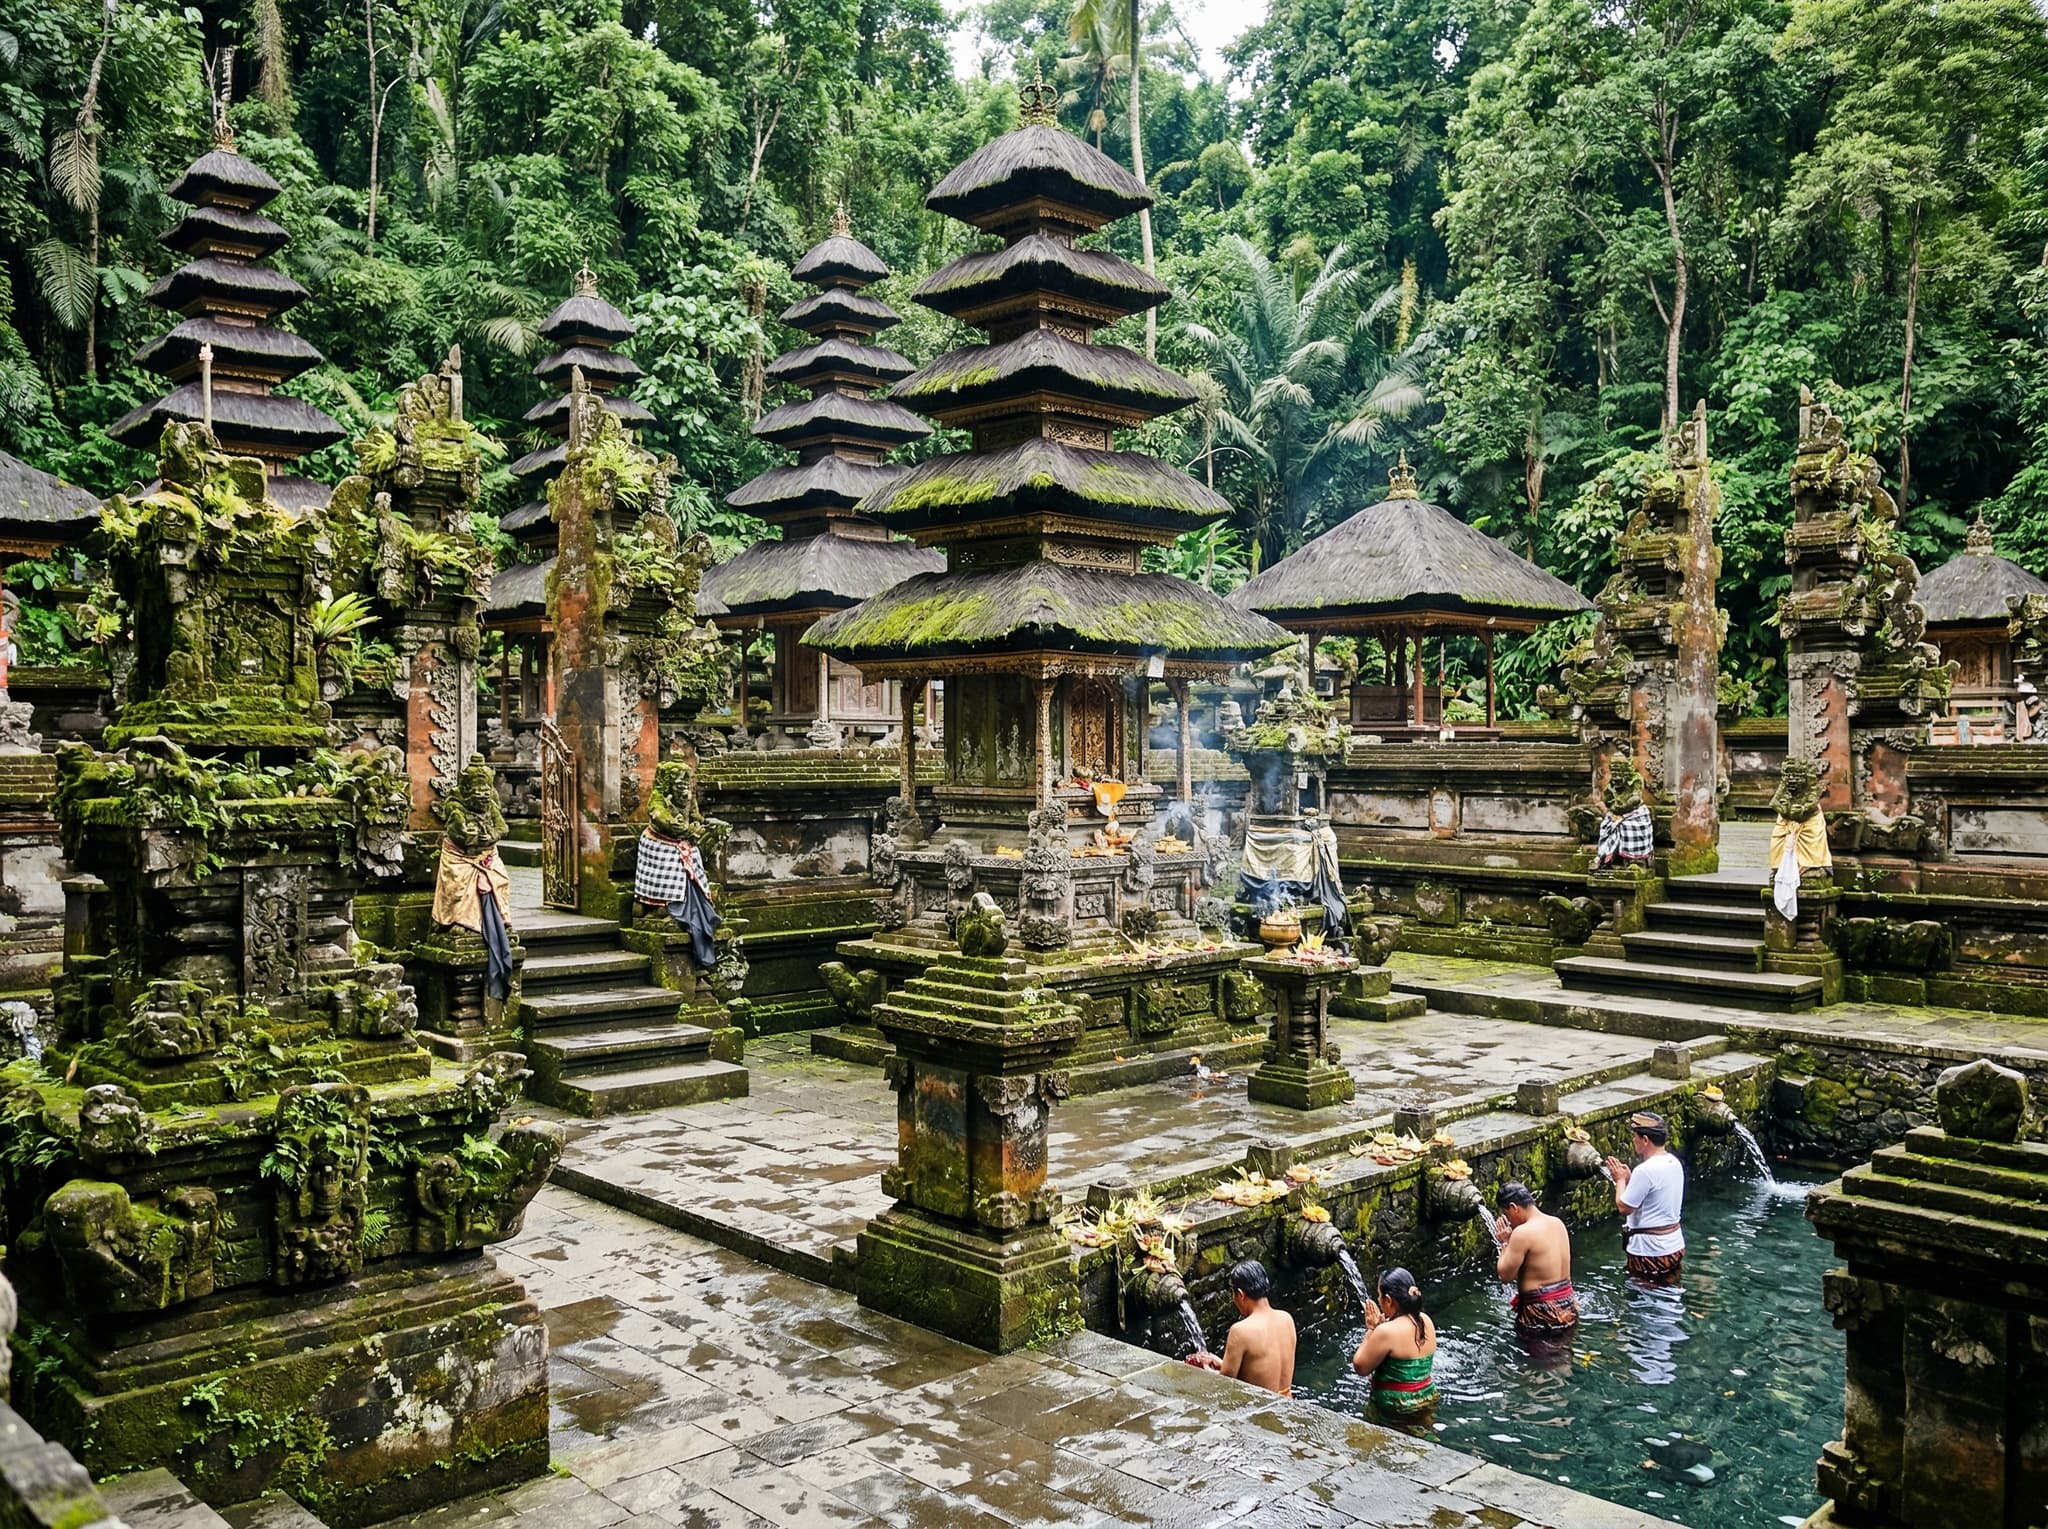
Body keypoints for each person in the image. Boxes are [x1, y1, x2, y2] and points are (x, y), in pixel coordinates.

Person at [1189, 1260, 1296, 1397]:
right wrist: (1222, 1363)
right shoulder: (1286, 1319)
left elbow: (1225, 1383)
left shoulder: (1240, 1331)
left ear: (1240, 1294)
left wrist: (1204, 1368)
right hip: (1287, 1402)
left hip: (1261, 1409)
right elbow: (1261, 1371)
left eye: (1233, 1294)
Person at [1606, 1110, 1686, 1286]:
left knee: (1645, 1296)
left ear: (1645, 1140)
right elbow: (1652, 1195)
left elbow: (1624, 1207)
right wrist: (1629, 1180)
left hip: (1650, 1252)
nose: (1633, 1140)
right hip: (1674, 1246)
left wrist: (1619, 1180)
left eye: (1635, 1136)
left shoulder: (1645, 1170)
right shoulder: (1674, 1162)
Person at [1351, 1267, 1436, 1429]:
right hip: (1426, 1397)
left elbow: (1360, 1366)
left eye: (1379, 1296)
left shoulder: (1386, 1331)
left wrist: (1371, 1329)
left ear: (1388, 1300)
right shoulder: (1426, 1320)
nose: (1378, 1299)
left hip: (1396, 1405)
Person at [1493, 1182, 1578, 1333]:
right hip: (1568, 1306)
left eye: (1507, 1215)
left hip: (1541, 1313)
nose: (1509, 1221)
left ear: (1514, 1207)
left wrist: (1504, 1243)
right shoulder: (1557, 1223)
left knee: (1539, 1356)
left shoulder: (1522, 1233)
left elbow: (1505, 1275)